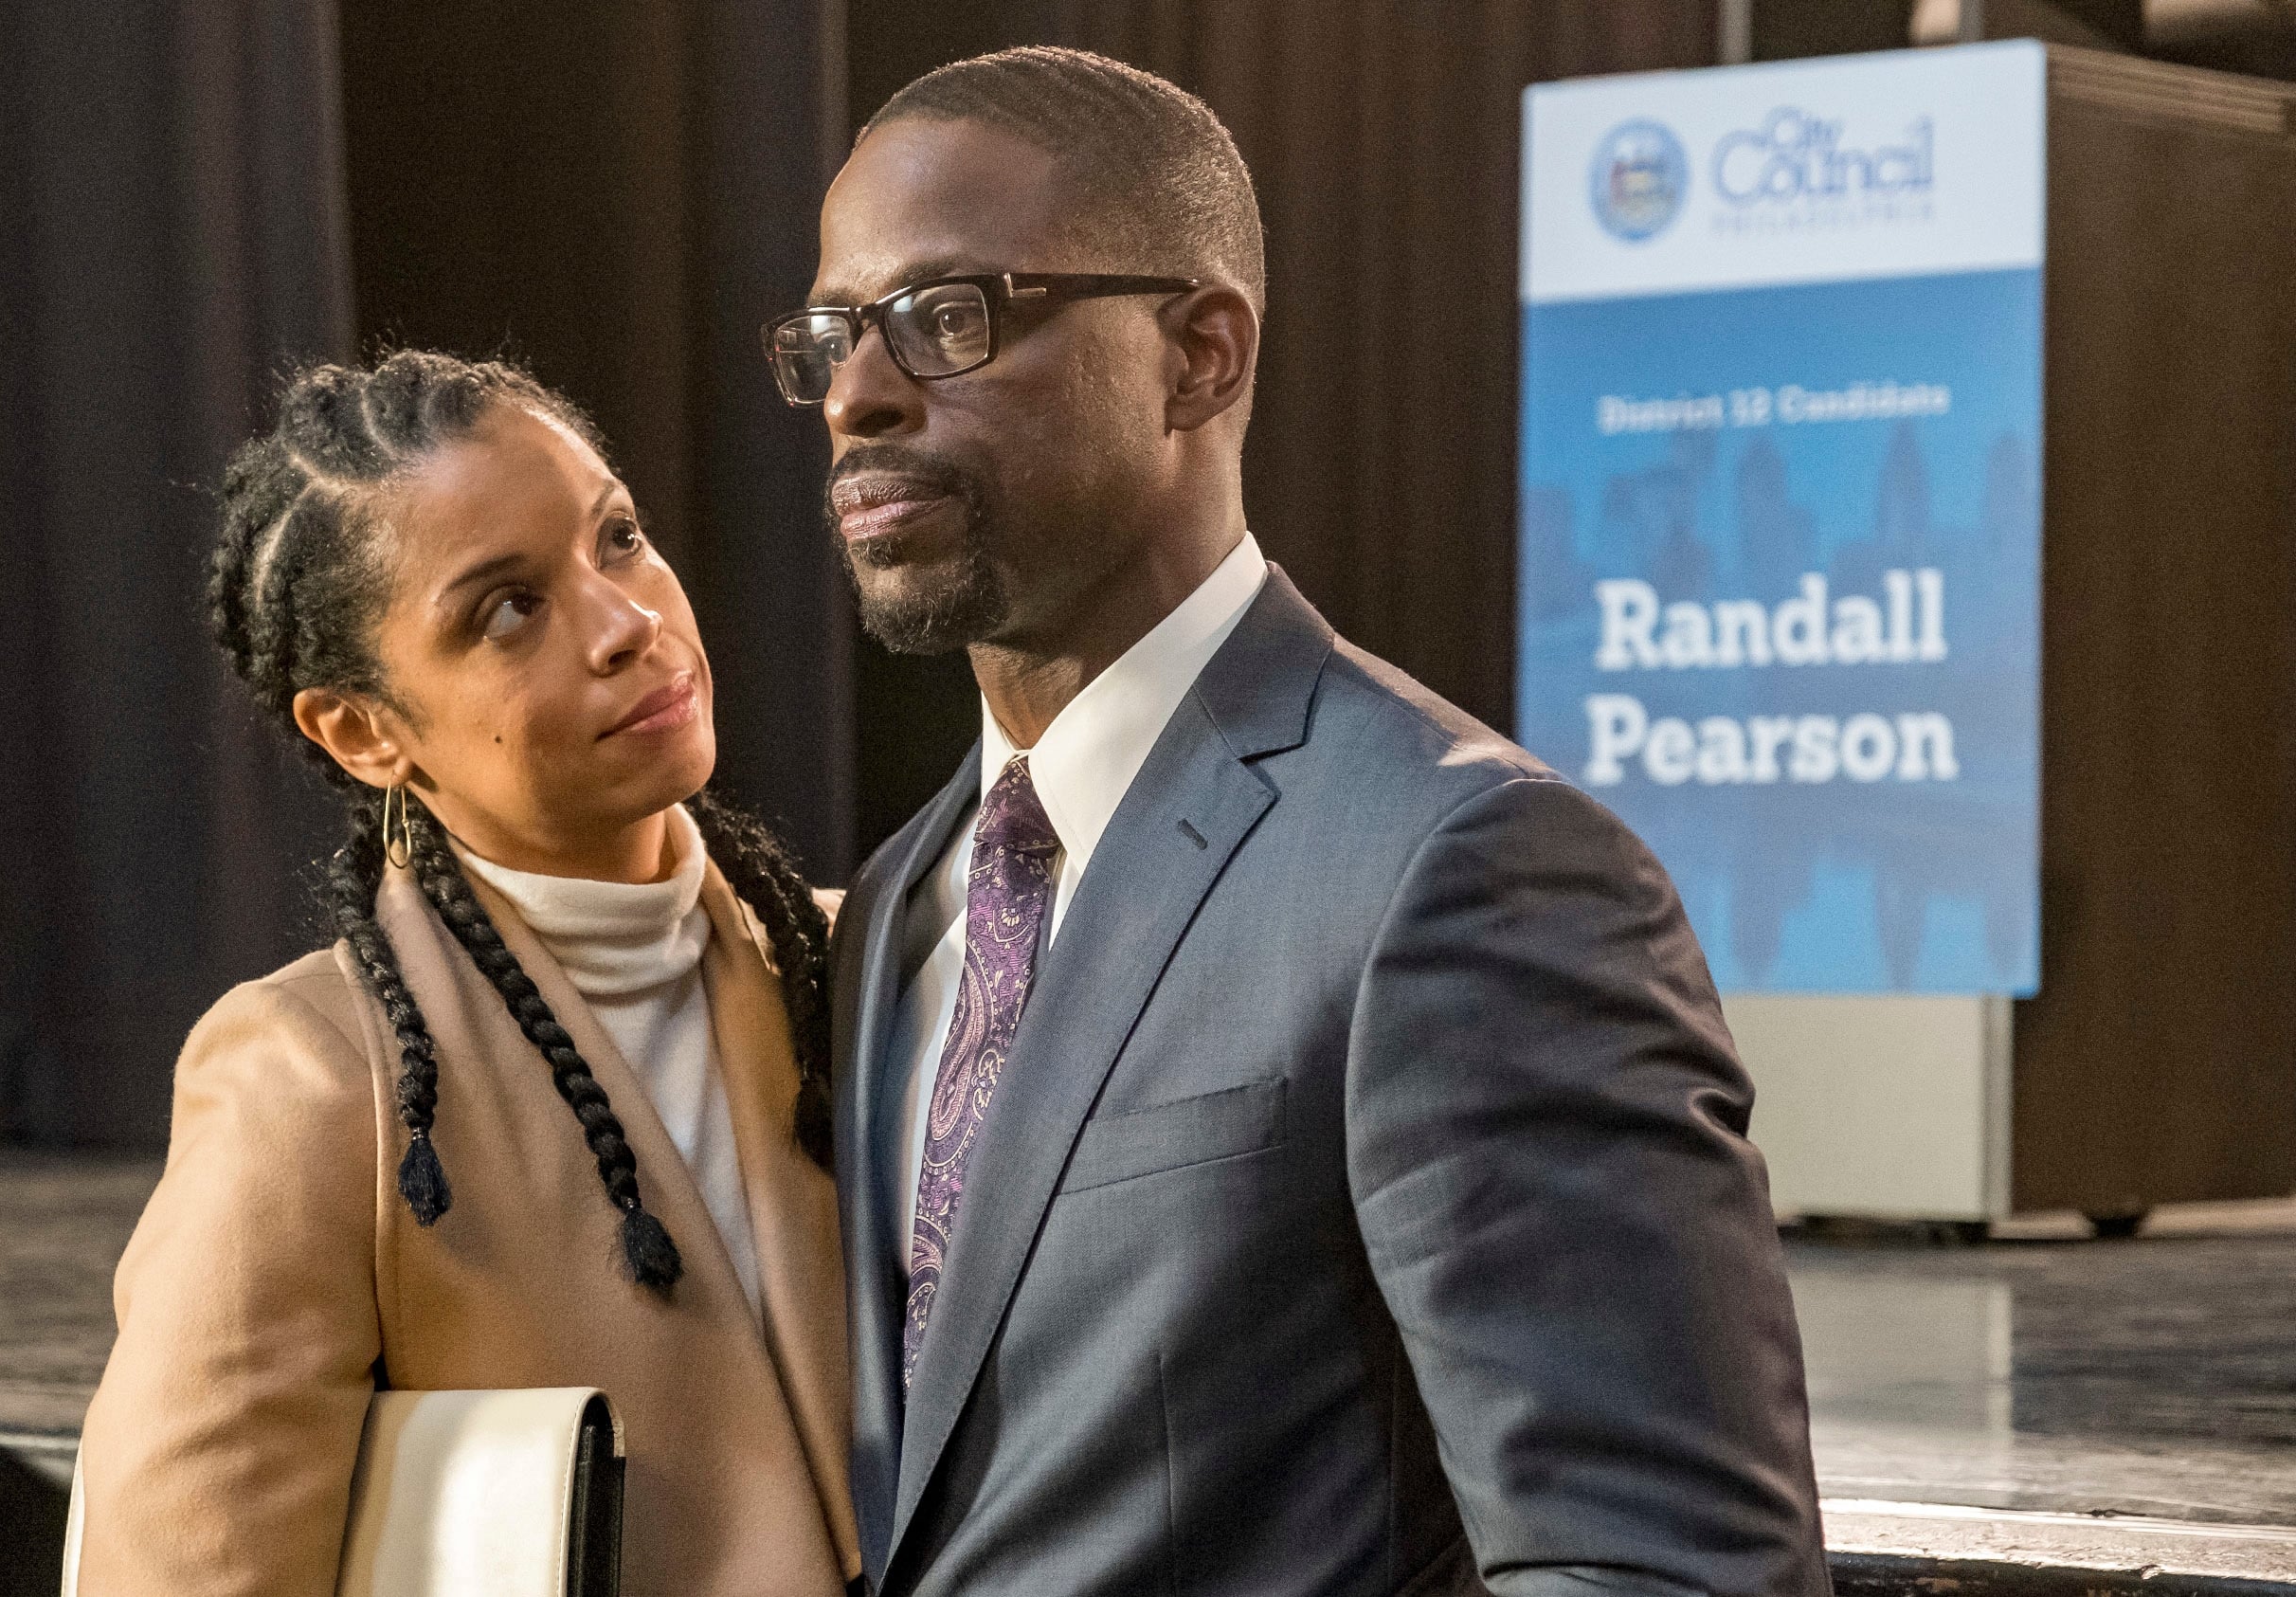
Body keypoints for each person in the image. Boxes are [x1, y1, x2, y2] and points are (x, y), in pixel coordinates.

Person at [780, 46, 1833, 1597]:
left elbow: (1660, 1569)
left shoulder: (1463, 868)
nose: (857, 395)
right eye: (831, 336)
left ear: (1199, 357)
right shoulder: (893, 907)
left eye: (948, 317)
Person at [75, 351, 857, 1597]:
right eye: (507, 610)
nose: (629, 624)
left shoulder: (868, 962)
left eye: (618, 539)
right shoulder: (318, 1081)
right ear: (363, 730)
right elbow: (183, 1572)